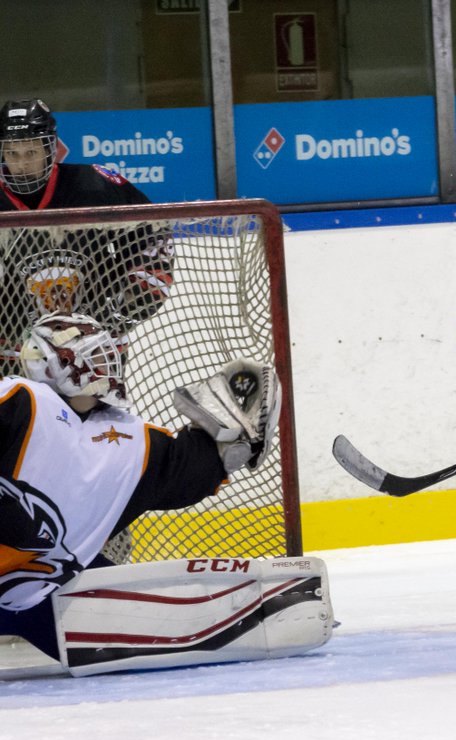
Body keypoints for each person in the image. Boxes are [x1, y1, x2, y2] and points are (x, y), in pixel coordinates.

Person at [0, 312, 327, 674]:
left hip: (44, 591)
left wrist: (231, 438)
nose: (105, 365)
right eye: (91, 355)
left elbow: (188, 470)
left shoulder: (129, 439)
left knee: (78, 594)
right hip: (32, 583)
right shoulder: (24, 401)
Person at [0, 98, 171, 367]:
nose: (21, 164)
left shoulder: (96, 186)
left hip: (95, 342)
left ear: (50, 149)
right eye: (12, 154)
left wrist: (124, 309)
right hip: (15, 349)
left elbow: (152, 236)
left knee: (97, 409)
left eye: (31, 152)